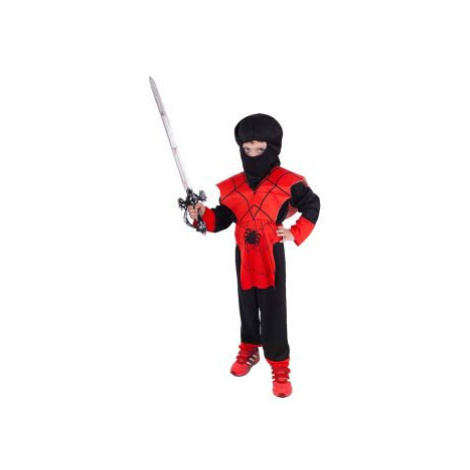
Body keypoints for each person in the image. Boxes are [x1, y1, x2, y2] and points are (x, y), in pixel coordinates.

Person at [188, 113, 320, 398]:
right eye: (246, 149)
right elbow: (221, 219)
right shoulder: (235, 185)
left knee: (274, 308)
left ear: (272, 148)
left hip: (271, 253)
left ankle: (280, 364)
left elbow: (312, 204)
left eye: (259, 149)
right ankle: (249, 348)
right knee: (246, 303)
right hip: (244, 254)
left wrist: (296, 232)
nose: (252, 155)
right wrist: (202, 214)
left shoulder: (287, 181)